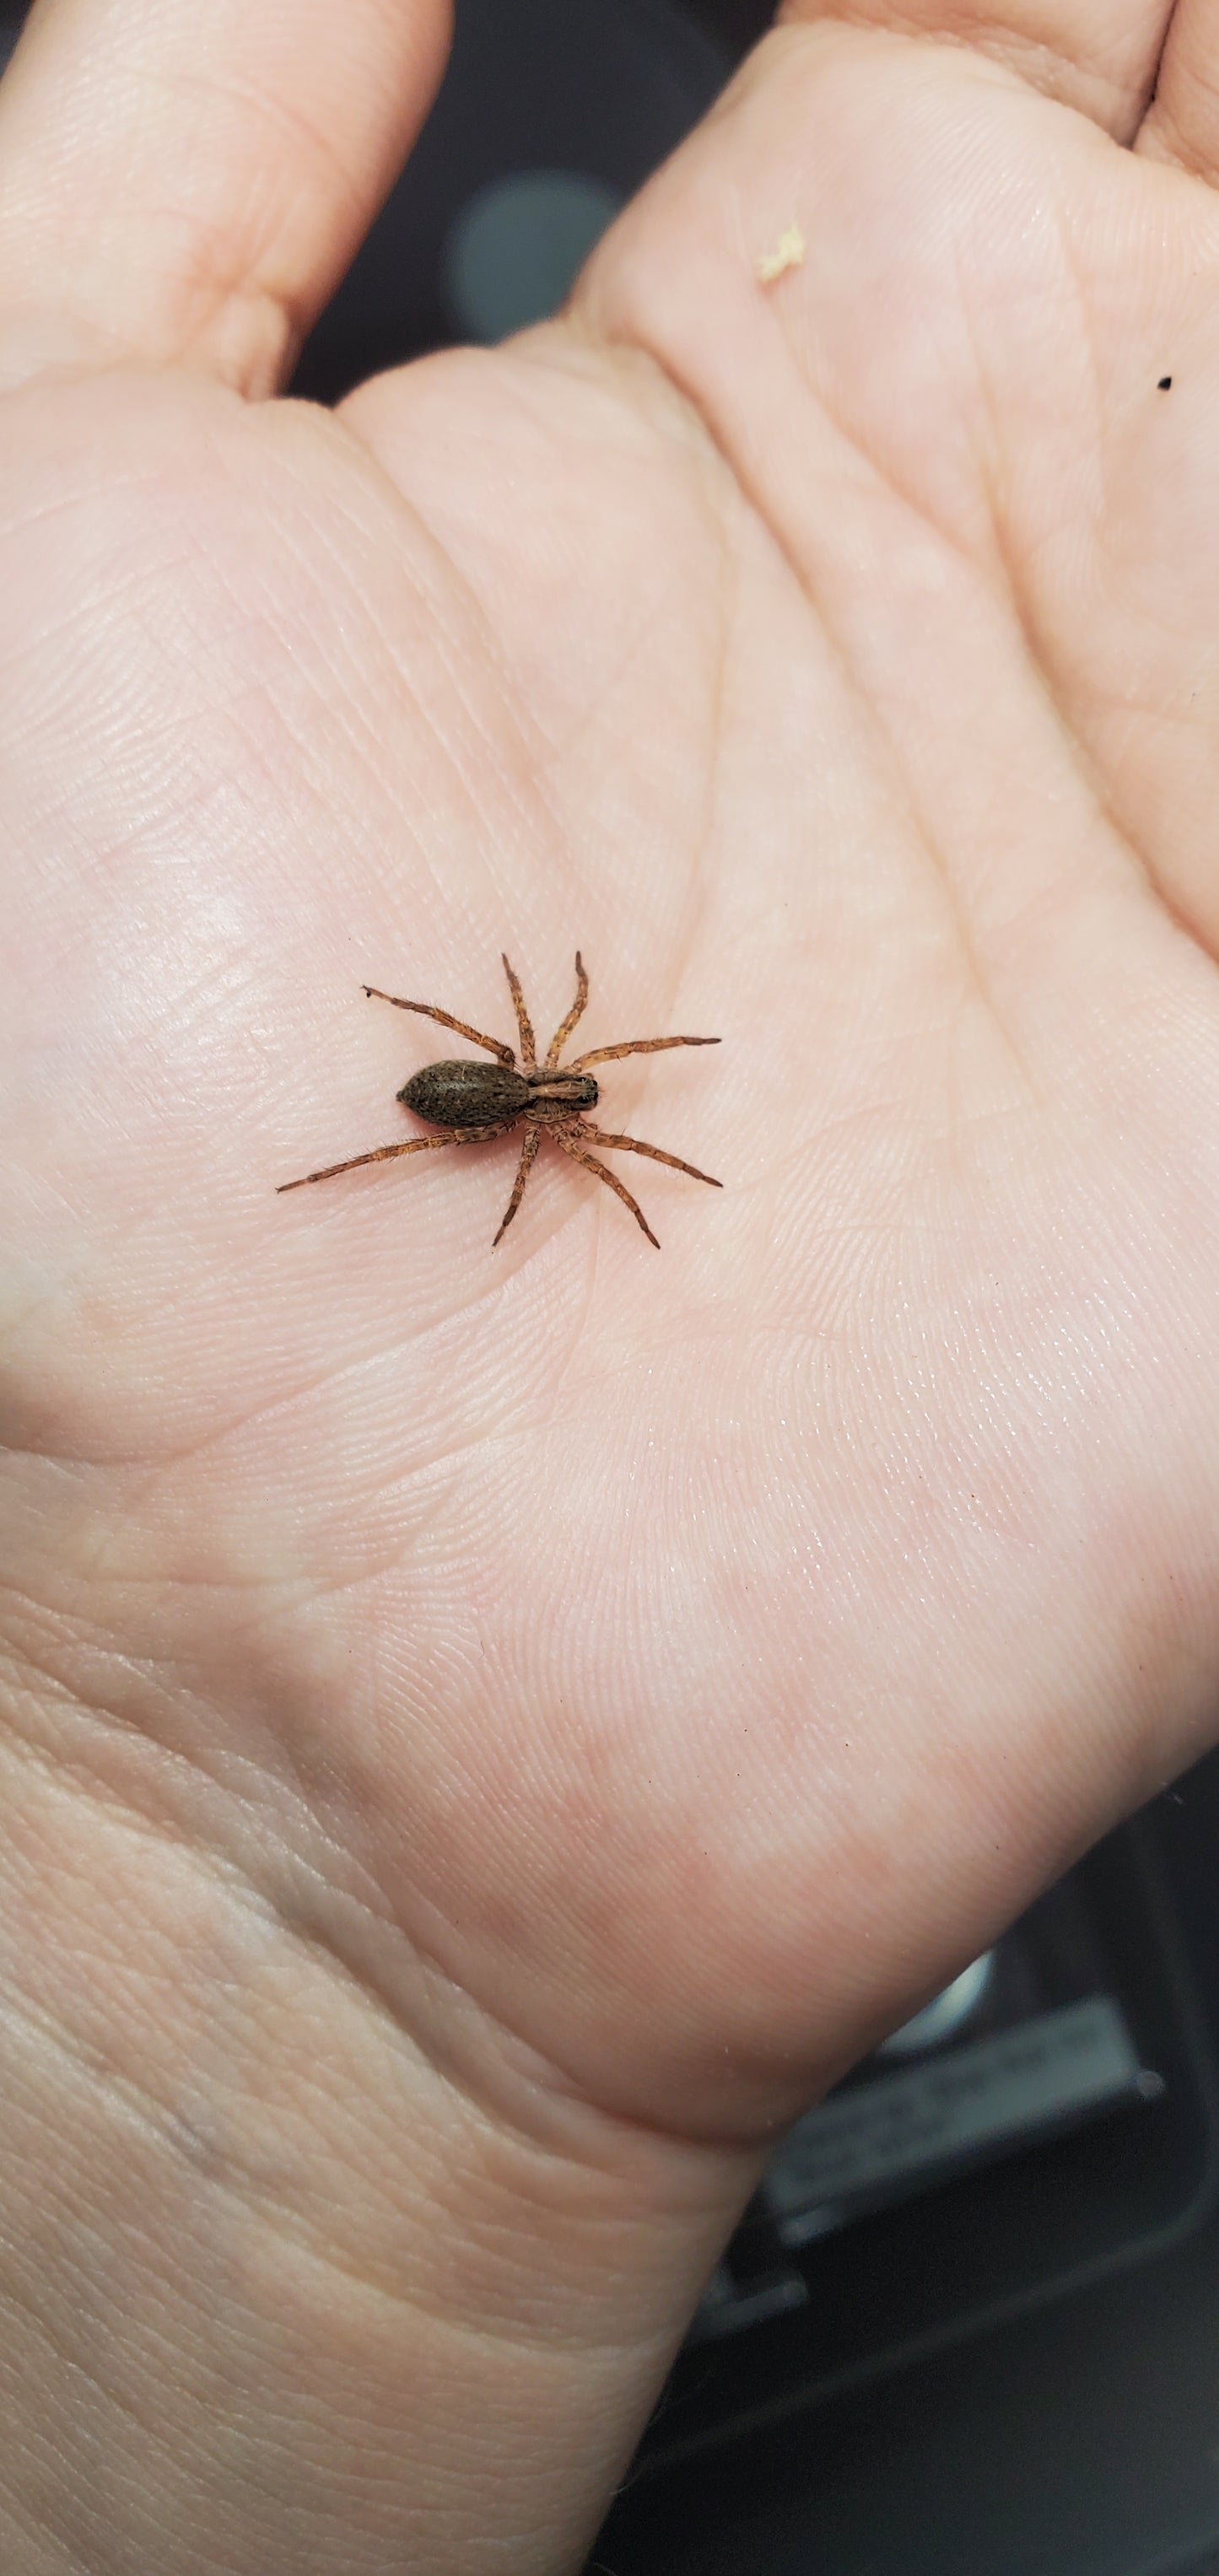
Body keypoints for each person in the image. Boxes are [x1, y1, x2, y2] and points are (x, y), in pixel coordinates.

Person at [2, 0, 1218, 2564]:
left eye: (578, 1112)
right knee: (419, 1135)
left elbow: (560, 1079)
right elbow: (518, 1068)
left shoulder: (564, 1100)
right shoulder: (525, 1096)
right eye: (580, 1104)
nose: (574, 1118)